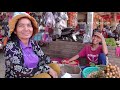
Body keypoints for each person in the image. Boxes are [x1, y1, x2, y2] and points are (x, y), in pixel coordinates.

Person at [4, 12, 60, 78]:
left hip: (34, 73)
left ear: (32, 29)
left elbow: (44, 58)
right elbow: (19, 72)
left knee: (55, 67)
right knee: (45, 76)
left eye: (29, 25)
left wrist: (52, 65)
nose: (26, 29)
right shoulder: (11, 47)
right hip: (20, 76)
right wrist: (46, 69)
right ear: (15, 31)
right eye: (21, 26)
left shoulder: (33, 43)